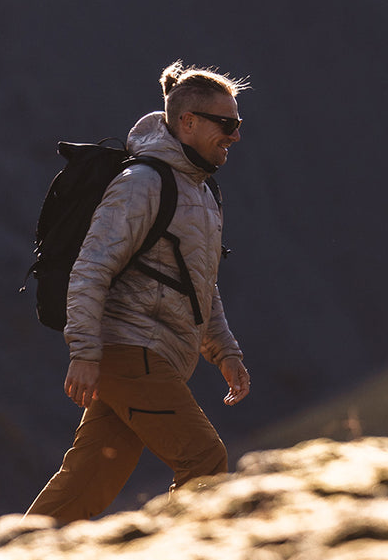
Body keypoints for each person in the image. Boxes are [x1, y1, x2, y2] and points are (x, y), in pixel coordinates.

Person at [27, 61, 254, 522]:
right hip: (128, 350)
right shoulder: (143, 184)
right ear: (188, 122)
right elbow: (91, 269)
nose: (234, 135)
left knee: (87, 482)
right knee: (204, 461)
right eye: (226, 124)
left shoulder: (202, 192)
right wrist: (86, 353)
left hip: (154, 356)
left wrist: (225, 351)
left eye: (238, 125)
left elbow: (199, 284)